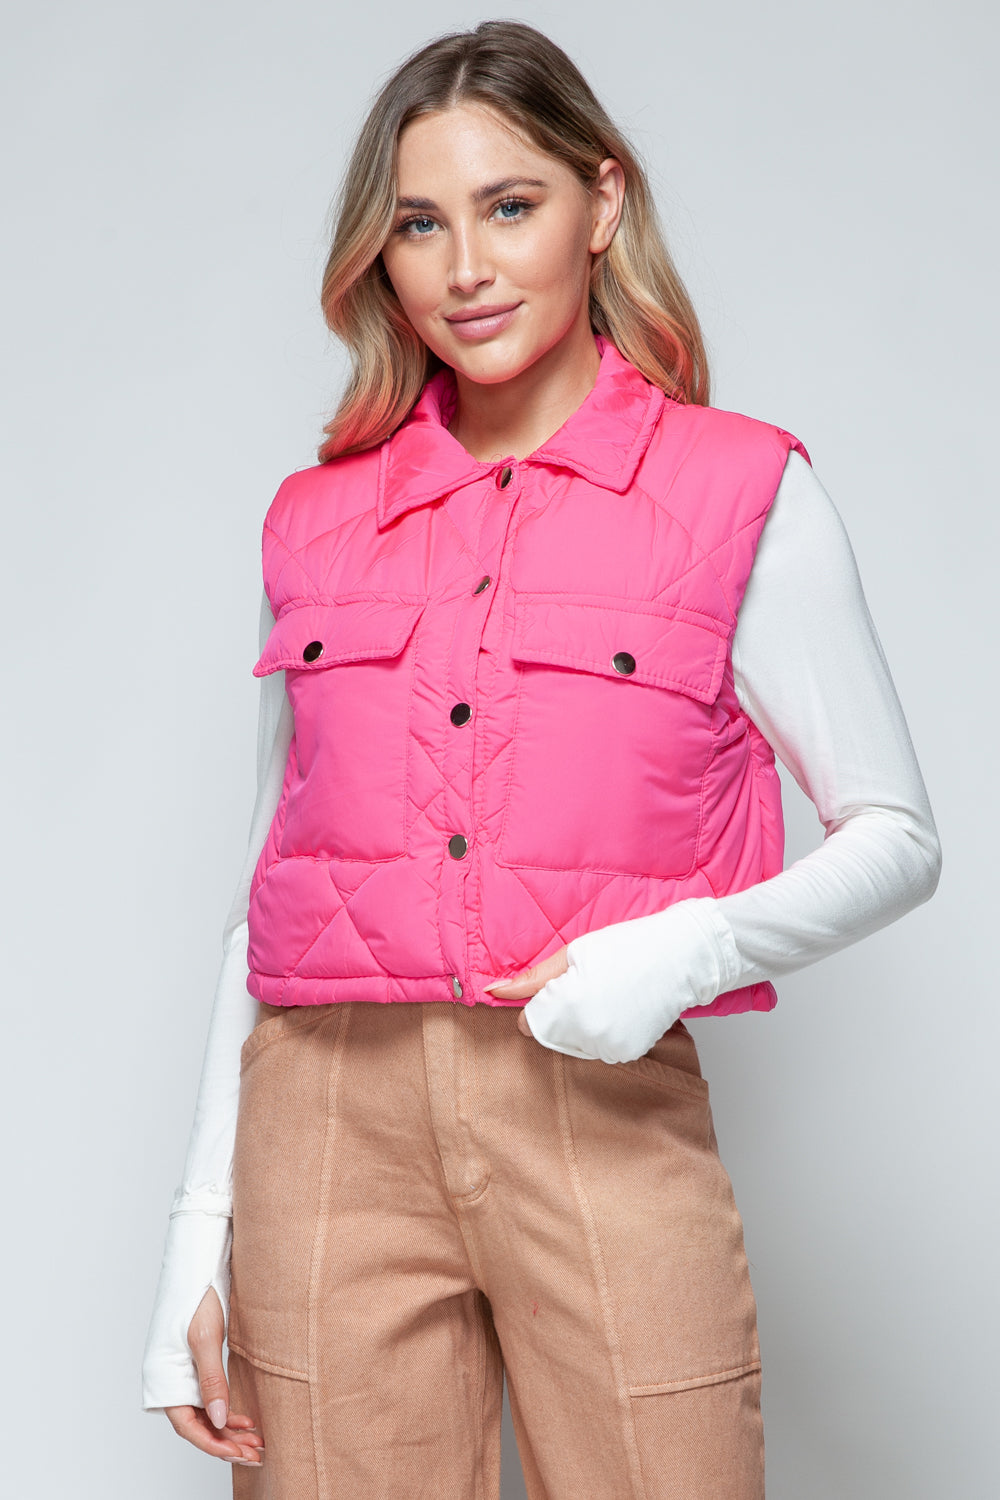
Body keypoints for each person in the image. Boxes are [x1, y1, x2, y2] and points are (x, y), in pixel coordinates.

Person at [140, 19, 941, 1498]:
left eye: (510, 207)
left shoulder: (738, 487)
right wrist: (199, 1234)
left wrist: (686, 951)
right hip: (325, 1125)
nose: (466, 268)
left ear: (602, 203)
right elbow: (268, 882)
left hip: (598, 1110)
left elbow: (898, 833)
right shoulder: (315, 519)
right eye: (418, 225)